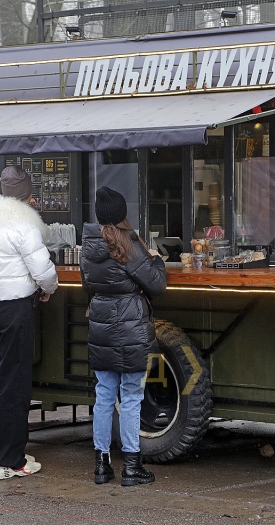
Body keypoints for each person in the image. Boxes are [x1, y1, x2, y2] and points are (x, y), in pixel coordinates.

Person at [0, 166, 58, 481]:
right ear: (28, 197)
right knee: (16, 385)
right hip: (15, 309)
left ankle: (5, 455)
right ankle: (10, 461)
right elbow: (43, 269)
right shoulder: (23, 225)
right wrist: (48, 289)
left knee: (3, 381)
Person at [80, 187, 167, 486]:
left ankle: (102, 466)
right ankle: (131, 466)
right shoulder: (129, 244)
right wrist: (156, 260)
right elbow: (155, 285)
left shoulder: (88, 247)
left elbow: (87, 287)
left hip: (101, 324)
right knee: (130, 397)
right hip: (130, 326)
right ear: (121, 215)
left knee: (104, 397)